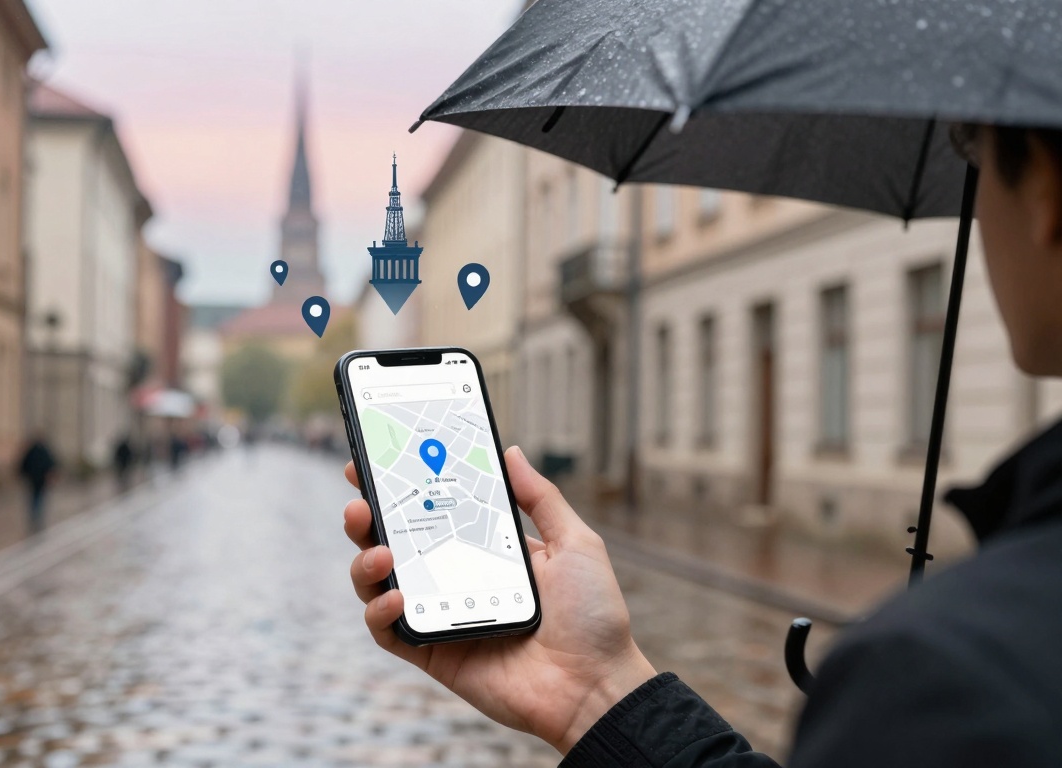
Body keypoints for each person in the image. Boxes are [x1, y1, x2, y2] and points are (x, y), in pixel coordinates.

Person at [342, 124, 1062, 767]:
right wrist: (597, 693)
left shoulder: (946, 677)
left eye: (972, 147)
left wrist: (914, 675)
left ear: (1047, 192)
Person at [16, 432, 58, 535]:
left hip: (34, 480)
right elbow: (51, 463)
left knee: (36, 498)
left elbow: (23, 464)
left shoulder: (34, 451)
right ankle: (37, 516)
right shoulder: (42, 451)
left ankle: (35, 516)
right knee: (38, 498)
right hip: (37, 480)